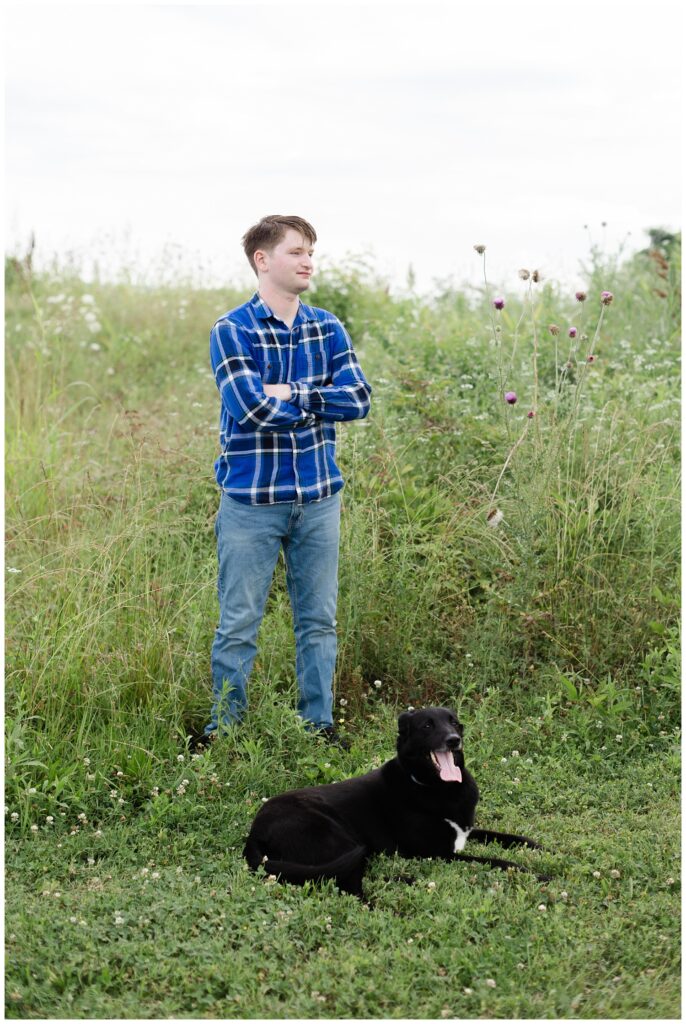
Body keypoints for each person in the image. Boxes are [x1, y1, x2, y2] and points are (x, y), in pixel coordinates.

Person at [197, 215, 372, 747]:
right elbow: (248, 408)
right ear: (262, 260)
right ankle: (225, 731)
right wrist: (319, 400)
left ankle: (317, 726)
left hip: (318, 498)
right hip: (252, 501)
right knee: (239, 624)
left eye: (311, 251)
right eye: (296, 251)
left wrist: (291, 392)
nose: (308, 260)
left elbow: (359, 399)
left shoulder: (328, 327)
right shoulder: (232, 330)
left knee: (318, 622)